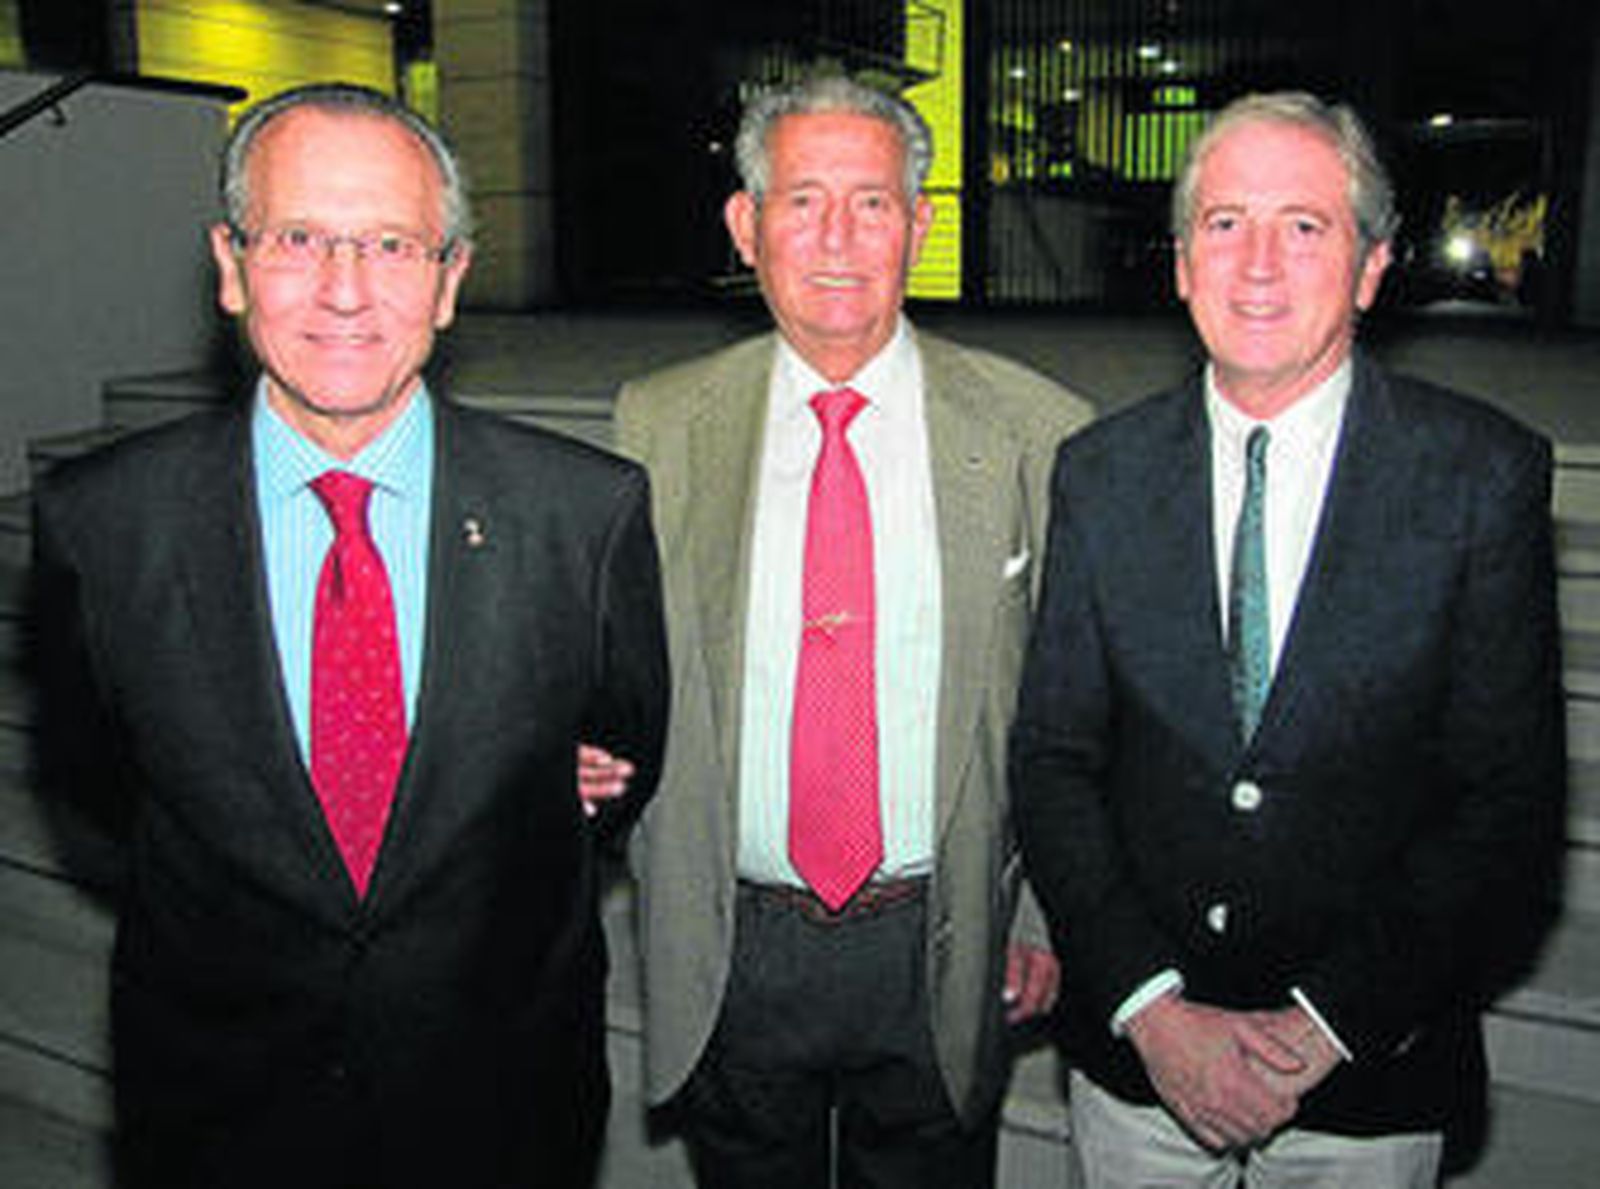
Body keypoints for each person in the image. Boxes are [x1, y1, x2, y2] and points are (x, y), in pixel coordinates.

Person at [31, 83, 668, 1189]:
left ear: (450, 279)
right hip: (217, 1106)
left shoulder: (584, 515)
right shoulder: (101, 524)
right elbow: (92, 793)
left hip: (499, 1099)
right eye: (298, 238)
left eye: (389, 242)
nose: (343, 289)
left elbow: (621, 758)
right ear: (230, 265)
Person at [1009, 91, 1566, 1187]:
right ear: (1178, 263)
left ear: (1369, 266)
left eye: (1303, 226)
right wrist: (1151, 1012)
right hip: (1136, 1079)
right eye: (1223, 224)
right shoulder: (1099, 472)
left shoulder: (1479, 477)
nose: (1255, 263)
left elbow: (1502, 804)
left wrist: (1321, 1025)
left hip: (1365, 1078)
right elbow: (1054, 759)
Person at [584, 75, 1091, 1188]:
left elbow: (1070, 701)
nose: (837, 238)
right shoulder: (656, 423)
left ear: (920, 224)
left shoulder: (1036, 431)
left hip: (943, 937)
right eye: (802, 200)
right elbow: (607, 659)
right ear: (744, 223)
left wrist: (1043, 908)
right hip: (732, 939)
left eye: (873, 203)